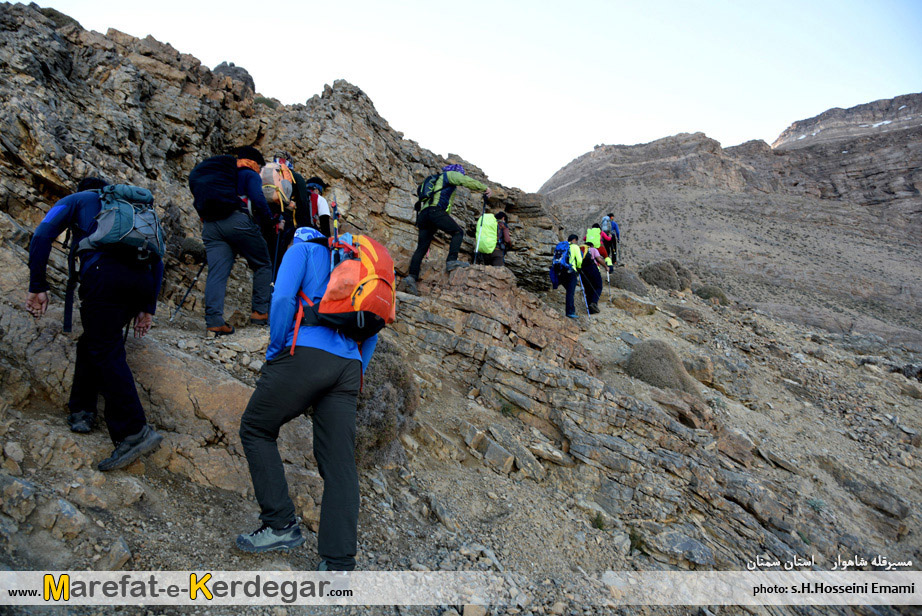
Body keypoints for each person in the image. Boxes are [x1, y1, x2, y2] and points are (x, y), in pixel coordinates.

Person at [237, 226, 377, 570]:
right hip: (348, 366)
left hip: (306, 354)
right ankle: (339, 562)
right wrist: (357, 369)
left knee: (256, 428)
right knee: (340, 463)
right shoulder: (360, 266)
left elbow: (283, 298)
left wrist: (275, 351)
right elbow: (373, 329)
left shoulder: (301, 250)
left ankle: (280, 525)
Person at [26, 177, 164, 471]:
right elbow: (159, 256)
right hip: (140, 279)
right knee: (96, 341)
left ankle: (133, 431)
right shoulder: (134, 208)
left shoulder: (75, 200)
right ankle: (82, 410)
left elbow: (41, 235)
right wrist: (147, 306)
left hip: (103, 276)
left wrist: (37, 284)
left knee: (105, 349)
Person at [202, 146, 278, 335]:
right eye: (260, 167)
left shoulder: (222, 174)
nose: (260, 171)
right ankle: (260, 312)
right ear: (254, 162)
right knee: (263, 264)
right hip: (237, 221)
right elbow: (258, 199)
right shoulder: (248, 173)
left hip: (211, 225)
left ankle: (214, 320)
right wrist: (270, 221)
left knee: (217, 272)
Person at [403, 164, 492, 295]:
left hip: (423, 215)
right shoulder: (450, 175)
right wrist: (485, 188)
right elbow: (465, 181)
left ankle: (411, 277)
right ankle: (451, 261)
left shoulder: (437, 179)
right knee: (458, 232)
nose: (461, 175)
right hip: (435, 211)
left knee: (422, 247)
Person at [558, 234, 583, 318]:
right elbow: (579, 260)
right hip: (571, 272)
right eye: (576, 241)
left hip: (561, 272)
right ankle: (570, 312)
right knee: (570, 292)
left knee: (569, 291)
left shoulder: (562, 246)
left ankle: (570, 311)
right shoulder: (575, 247)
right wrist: (578, 268)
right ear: (574, 240)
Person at [579, 240, 606, 314]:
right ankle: (594, 303)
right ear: (591, 246)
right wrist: (606, 267)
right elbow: (599, 259)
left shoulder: (580, 250)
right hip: (592, 269)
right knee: (598, 286)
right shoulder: (593, 249)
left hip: (582, 270)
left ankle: (590, 310)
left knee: (588, 289)